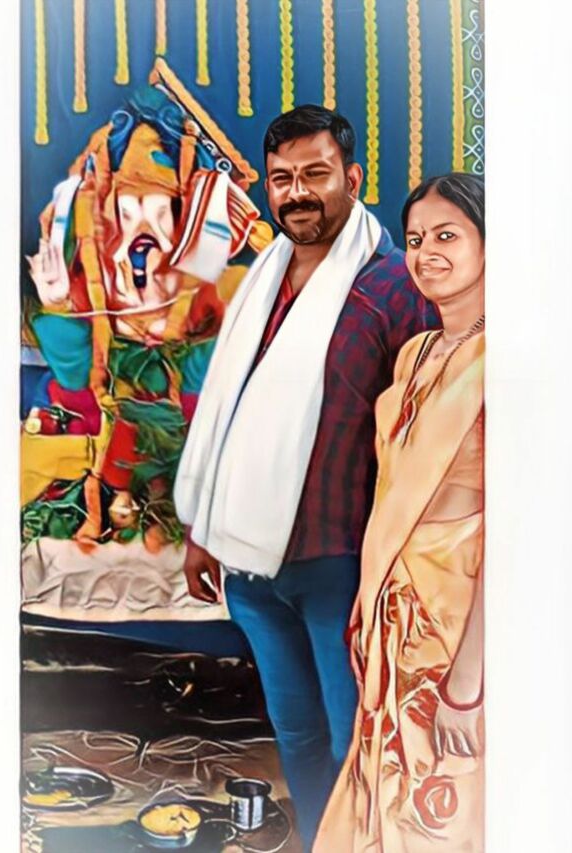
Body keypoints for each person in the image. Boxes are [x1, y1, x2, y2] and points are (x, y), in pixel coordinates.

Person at [173, 104, 438, 851]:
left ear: (353, 178)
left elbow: (420, 433)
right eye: (283, 178)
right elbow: (228, 416)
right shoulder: (262, 277)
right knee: (295, 731)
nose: (298, 193)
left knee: (357, 736)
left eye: (315, 174)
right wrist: (203, 533)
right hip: (252, 566)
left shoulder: (394, 286)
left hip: (340, 563)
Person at [314, 172, 485, 852]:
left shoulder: (512, 360)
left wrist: (468, 684)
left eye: (447, 236)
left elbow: (519, 537)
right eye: (415, 239)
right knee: (382, 793)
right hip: (396, 618)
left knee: (440, 811)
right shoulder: (415, 352)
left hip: (457, 627)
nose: (426, 253)